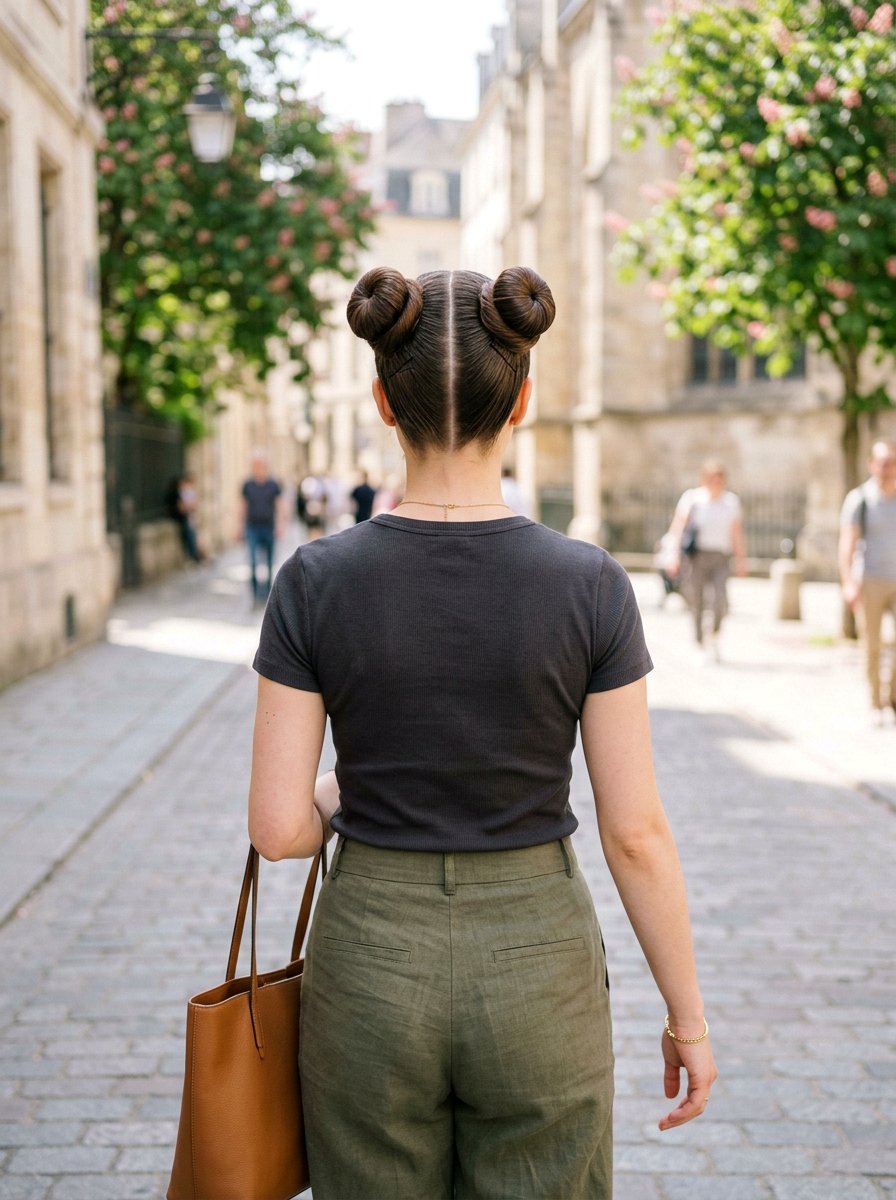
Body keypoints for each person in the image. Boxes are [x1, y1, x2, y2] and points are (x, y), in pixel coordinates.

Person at [247, 265, 717, 1199]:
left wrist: (339, 793)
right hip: (537, 959)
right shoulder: (590, 586)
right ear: (524, 402)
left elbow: (278, 829)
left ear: (383, 401)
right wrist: (688, 1019)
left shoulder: (314, 581)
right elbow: (634, 832)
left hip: (370, 961)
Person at [665, 460, 747, 661]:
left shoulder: (731, 502)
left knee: (721, 600)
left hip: (721, 557)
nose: (717, 483)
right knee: (698, 600)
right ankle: (699, 641)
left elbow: (736, 533)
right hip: (697, 557)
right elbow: (678, 528)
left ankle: (715, 634)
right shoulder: (693, 499)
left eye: (720, 479)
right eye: (713, 479)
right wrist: (672, 555)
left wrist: (741, 559)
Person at [839, 438, 896, 726]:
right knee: (871, 646)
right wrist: (848, 583)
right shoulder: (859, 499)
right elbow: (847, 544)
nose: (888, 469)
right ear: (871, 465)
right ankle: (875, 702)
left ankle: (893, 698)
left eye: (892, 462)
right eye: (883, 463)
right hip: (871, 580)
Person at [240, 450, 284, 605]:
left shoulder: (273, 485)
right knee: (252, 562)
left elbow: (279, 506)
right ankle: (254, 594)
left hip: (269, 527)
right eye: (255, 464)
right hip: (252, 527)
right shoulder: (247, 485)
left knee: (270, 564)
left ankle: (268, 595)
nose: (257, 467)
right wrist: (239, 527)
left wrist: (280, 526)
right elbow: (243, 506)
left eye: (260, 464)